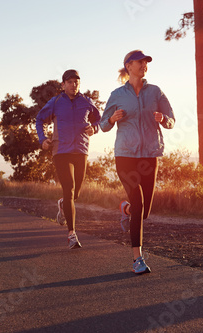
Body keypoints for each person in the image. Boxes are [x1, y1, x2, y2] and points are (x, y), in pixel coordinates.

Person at [100, 50, 175, 274]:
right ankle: (137, 259)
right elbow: (103, 124)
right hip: (125, 155)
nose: (143, 65)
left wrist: (164, 120)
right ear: (128, 66)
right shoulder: (117, 94)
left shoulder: (155, 92)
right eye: (139, 62)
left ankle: (126, 209)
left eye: (145, 62)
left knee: (144, 212)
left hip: (149, 155)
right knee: (139, 202)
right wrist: (112, 119)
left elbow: (172, 119)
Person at [36, 69, 101, 249]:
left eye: (76, 82)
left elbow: (99, 119)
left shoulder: (86, 101)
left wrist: (94, 128)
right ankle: (72, 234)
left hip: (81, 150)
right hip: (61, 150)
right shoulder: (56, 102)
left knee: (76, 193)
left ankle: (63, 204)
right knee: (69, 189)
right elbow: (39, 119)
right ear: (63, 85)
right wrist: (42, 139)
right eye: (70, 82)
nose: (74, 85)